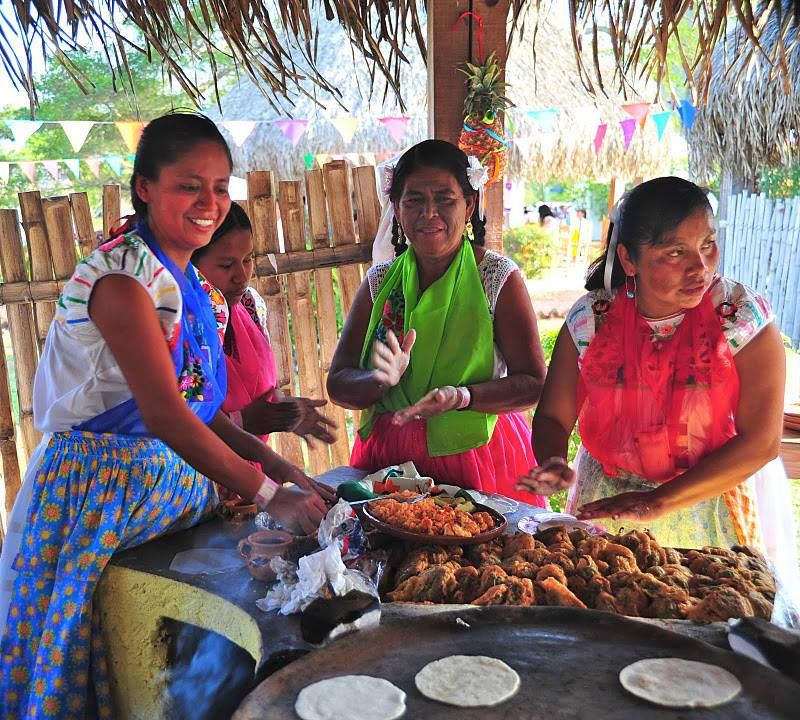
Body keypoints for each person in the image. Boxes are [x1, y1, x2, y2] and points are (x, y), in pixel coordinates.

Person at [0, 113, 334, 720]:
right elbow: (165, 414)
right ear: (145, 188)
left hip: (153, 487)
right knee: (76, 655)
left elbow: (203, 409)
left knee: (152, 661)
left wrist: (285, 469)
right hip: (94, 495)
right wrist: (269, 497)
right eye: (189, 186)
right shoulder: (122, 283)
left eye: (219, 186)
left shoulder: (188, 285)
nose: (209, 203)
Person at [518, 177, 799, 615]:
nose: (700, 267)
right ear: (629, 258)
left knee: (699, 620)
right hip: (606, 498)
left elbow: (760, 443)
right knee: (606, 618)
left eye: (707, 245)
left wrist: (658, 501)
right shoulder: (593, 318)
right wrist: (552, 457)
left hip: (706, 499)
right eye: (674, 252)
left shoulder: (742, 320)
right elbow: (554, 415)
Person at [327, 139, 547, 502]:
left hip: (478, 459)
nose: (429, 213)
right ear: (396, 210)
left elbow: (534, 384)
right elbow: (338, 383)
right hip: (391, 464)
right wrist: (379, 380)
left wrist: (462, 397)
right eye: (413, 200)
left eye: (445, 199)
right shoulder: (380, 283)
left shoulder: (496, 279)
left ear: (469, 204)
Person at [192, 202, 337, 452]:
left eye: (247, 259)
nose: (242, 275)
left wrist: (283, 411)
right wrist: (243, 421)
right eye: (226, 265)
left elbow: (258, 393)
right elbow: (180, 421)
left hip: (255, 474)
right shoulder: (183, 327)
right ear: (191, 265)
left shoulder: (250, 306)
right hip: (201, 482)